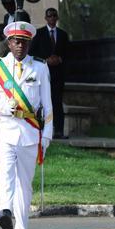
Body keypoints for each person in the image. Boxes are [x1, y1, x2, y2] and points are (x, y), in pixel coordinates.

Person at [0, 21, 52, 229]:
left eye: (24, 41)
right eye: (16, 41)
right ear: (9, 43)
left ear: (29, 43)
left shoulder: (40, 67)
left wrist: (47, 136)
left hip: (30, 132)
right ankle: (3, 209)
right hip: (5, 129)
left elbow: (48, 106)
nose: (20, 45)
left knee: (24, 185)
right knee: (6, 170)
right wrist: (6, 107)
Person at [30, 8, 70, 138]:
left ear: (57, 17)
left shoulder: (63, 35)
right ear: (46, 18)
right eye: (49, 16)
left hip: (58, 74)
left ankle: (58, 131)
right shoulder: (39, 34)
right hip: (43, 73)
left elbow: (69, 53)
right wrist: (45, 60)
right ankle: (40, 129)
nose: (52, 18)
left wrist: (60, 59)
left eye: (54, 16)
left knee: (57, 101)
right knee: (42, 101)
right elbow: (32, 53)